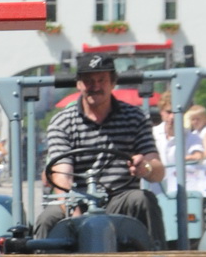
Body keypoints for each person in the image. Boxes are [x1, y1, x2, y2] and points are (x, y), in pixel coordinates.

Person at [38, 53, 164, 242]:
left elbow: (157, 171)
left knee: (144, 199)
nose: (95, 86)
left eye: (101, 80)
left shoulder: (135, 117)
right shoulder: (62, 122)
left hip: (120, 199)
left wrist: (145, 167)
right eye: (88, 81)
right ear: (79, 84)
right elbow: (62, 175)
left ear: (113, 83)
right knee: (47, 218)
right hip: (77, 199)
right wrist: (75, 215)